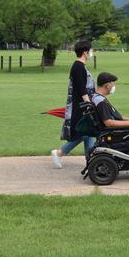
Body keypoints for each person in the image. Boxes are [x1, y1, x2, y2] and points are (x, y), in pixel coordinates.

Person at [51, 40, 96, 168]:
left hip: (81, 105)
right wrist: (89, 104)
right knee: (82, 133)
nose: (91, 53)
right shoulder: (78, 67)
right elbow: (82, 89)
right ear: (85, 52)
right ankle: (59, 153)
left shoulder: (80, 66)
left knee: (87, 133)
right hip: (80, 106)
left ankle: (91, 161)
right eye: (90, 50)